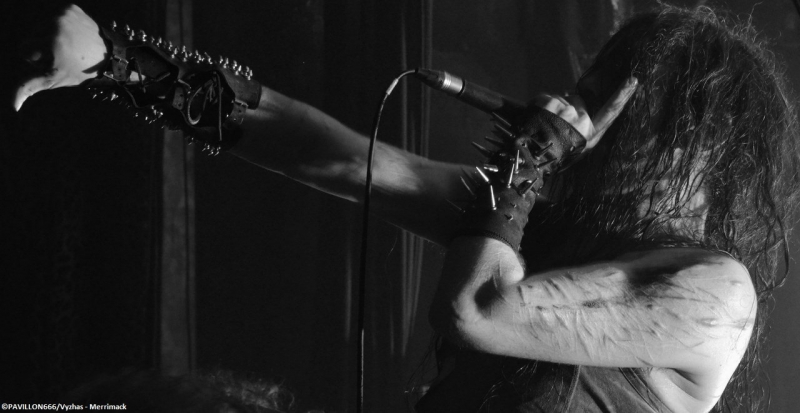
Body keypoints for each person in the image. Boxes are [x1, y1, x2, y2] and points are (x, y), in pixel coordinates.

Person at [11, 3, 799, 412]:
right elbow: (328, 153)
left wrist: (526, 162)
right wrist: (118, 61)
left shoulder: (716, 296)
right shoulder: (537, 227)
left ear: (696, 146)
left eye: (626, 112)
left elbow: (482, 309)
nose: (595, 126)